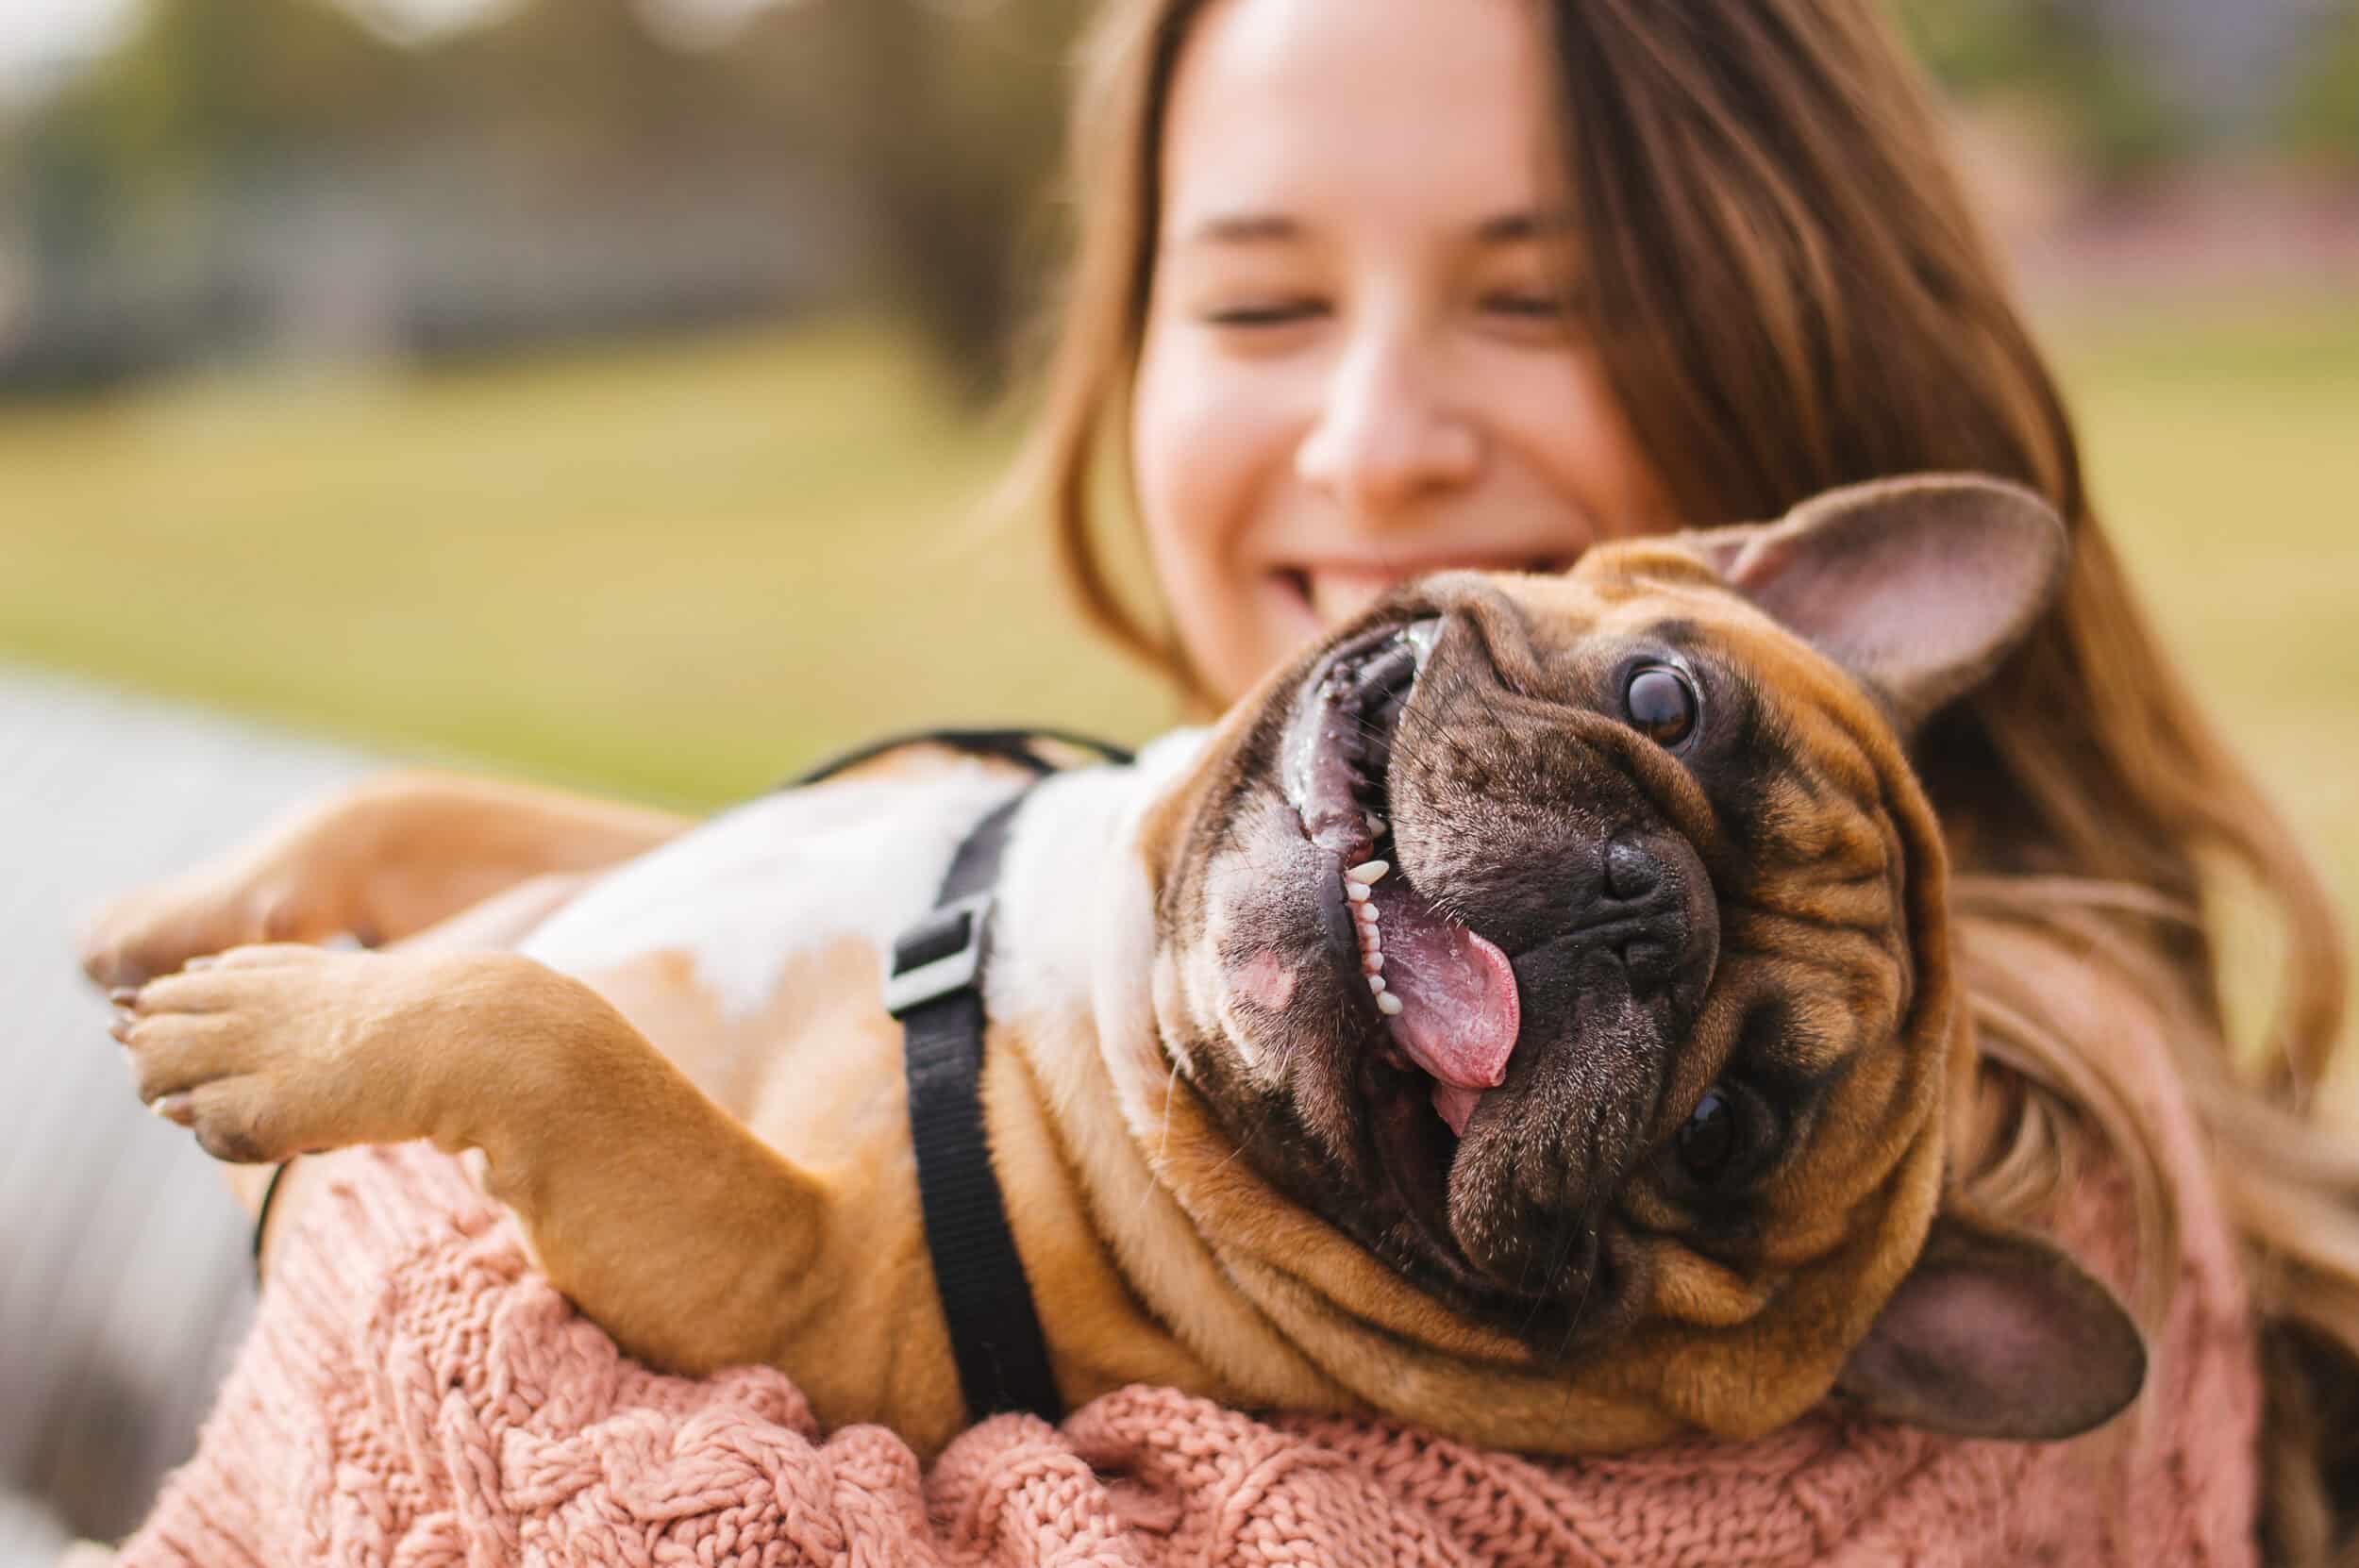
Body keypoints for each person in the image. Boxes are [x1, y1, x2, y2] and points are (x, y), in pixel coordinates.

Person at [112, 0, 2357, 1561]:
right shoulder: (1183, 889)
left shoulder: (1997, 1198)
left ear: (1801, 342)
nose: (1372, 438)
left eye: (1528, 300)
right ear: (1109, 348)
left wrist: (371, 1170)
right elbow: (796, 926)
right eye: (1262, 305)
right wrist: (433, 857)